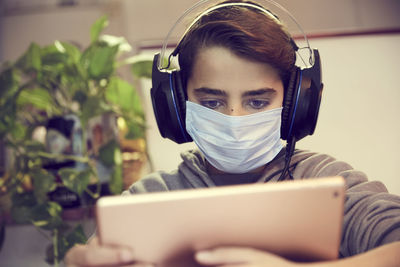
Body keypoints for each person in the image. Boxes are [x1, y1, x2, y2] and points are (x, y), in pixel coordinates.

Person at [65, 0, 400, 266]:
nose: (235, 118)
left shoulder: (329, 183)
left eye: (257, 101)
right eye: (212, 101)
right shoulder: (147, 199)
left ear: (295, 105)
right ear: (177, 105)